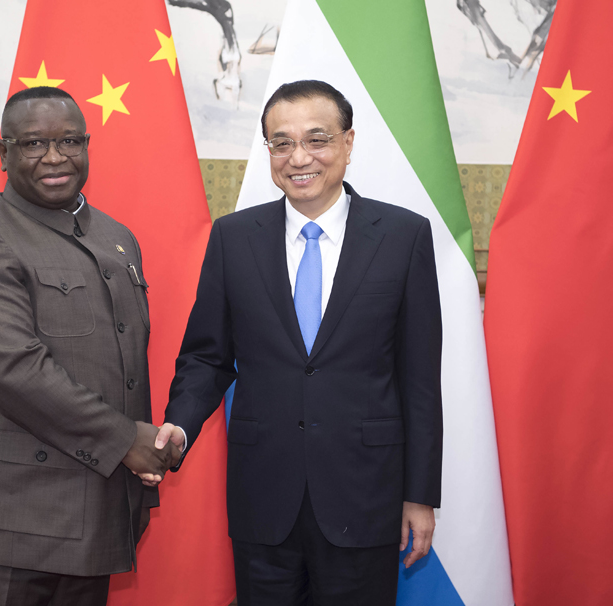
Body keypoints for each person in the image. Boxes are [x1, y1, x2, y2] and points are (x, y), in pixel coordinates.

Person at [151, 80, 443, 605]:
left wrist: (419, 496)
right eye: (281, 143)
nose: (299, 157)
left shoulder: (403, 236)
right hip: (263, 494)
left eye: (316, 139)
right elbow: (207, 356)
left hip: (365, 495)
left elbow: (419, 379)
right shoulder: (233, 237)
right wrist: (180, 421)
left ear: (348, 143)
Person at [0, 86, 180, 606]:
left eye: (70, 141)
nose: (55, 157)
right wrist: (127, 440)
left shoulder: (116, 238)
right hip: (0, 529)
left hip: (95, 520)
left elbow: (125, 367)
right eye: (34, 143)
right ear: (3, 152)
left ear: (87, 145)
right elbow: (16, 371)